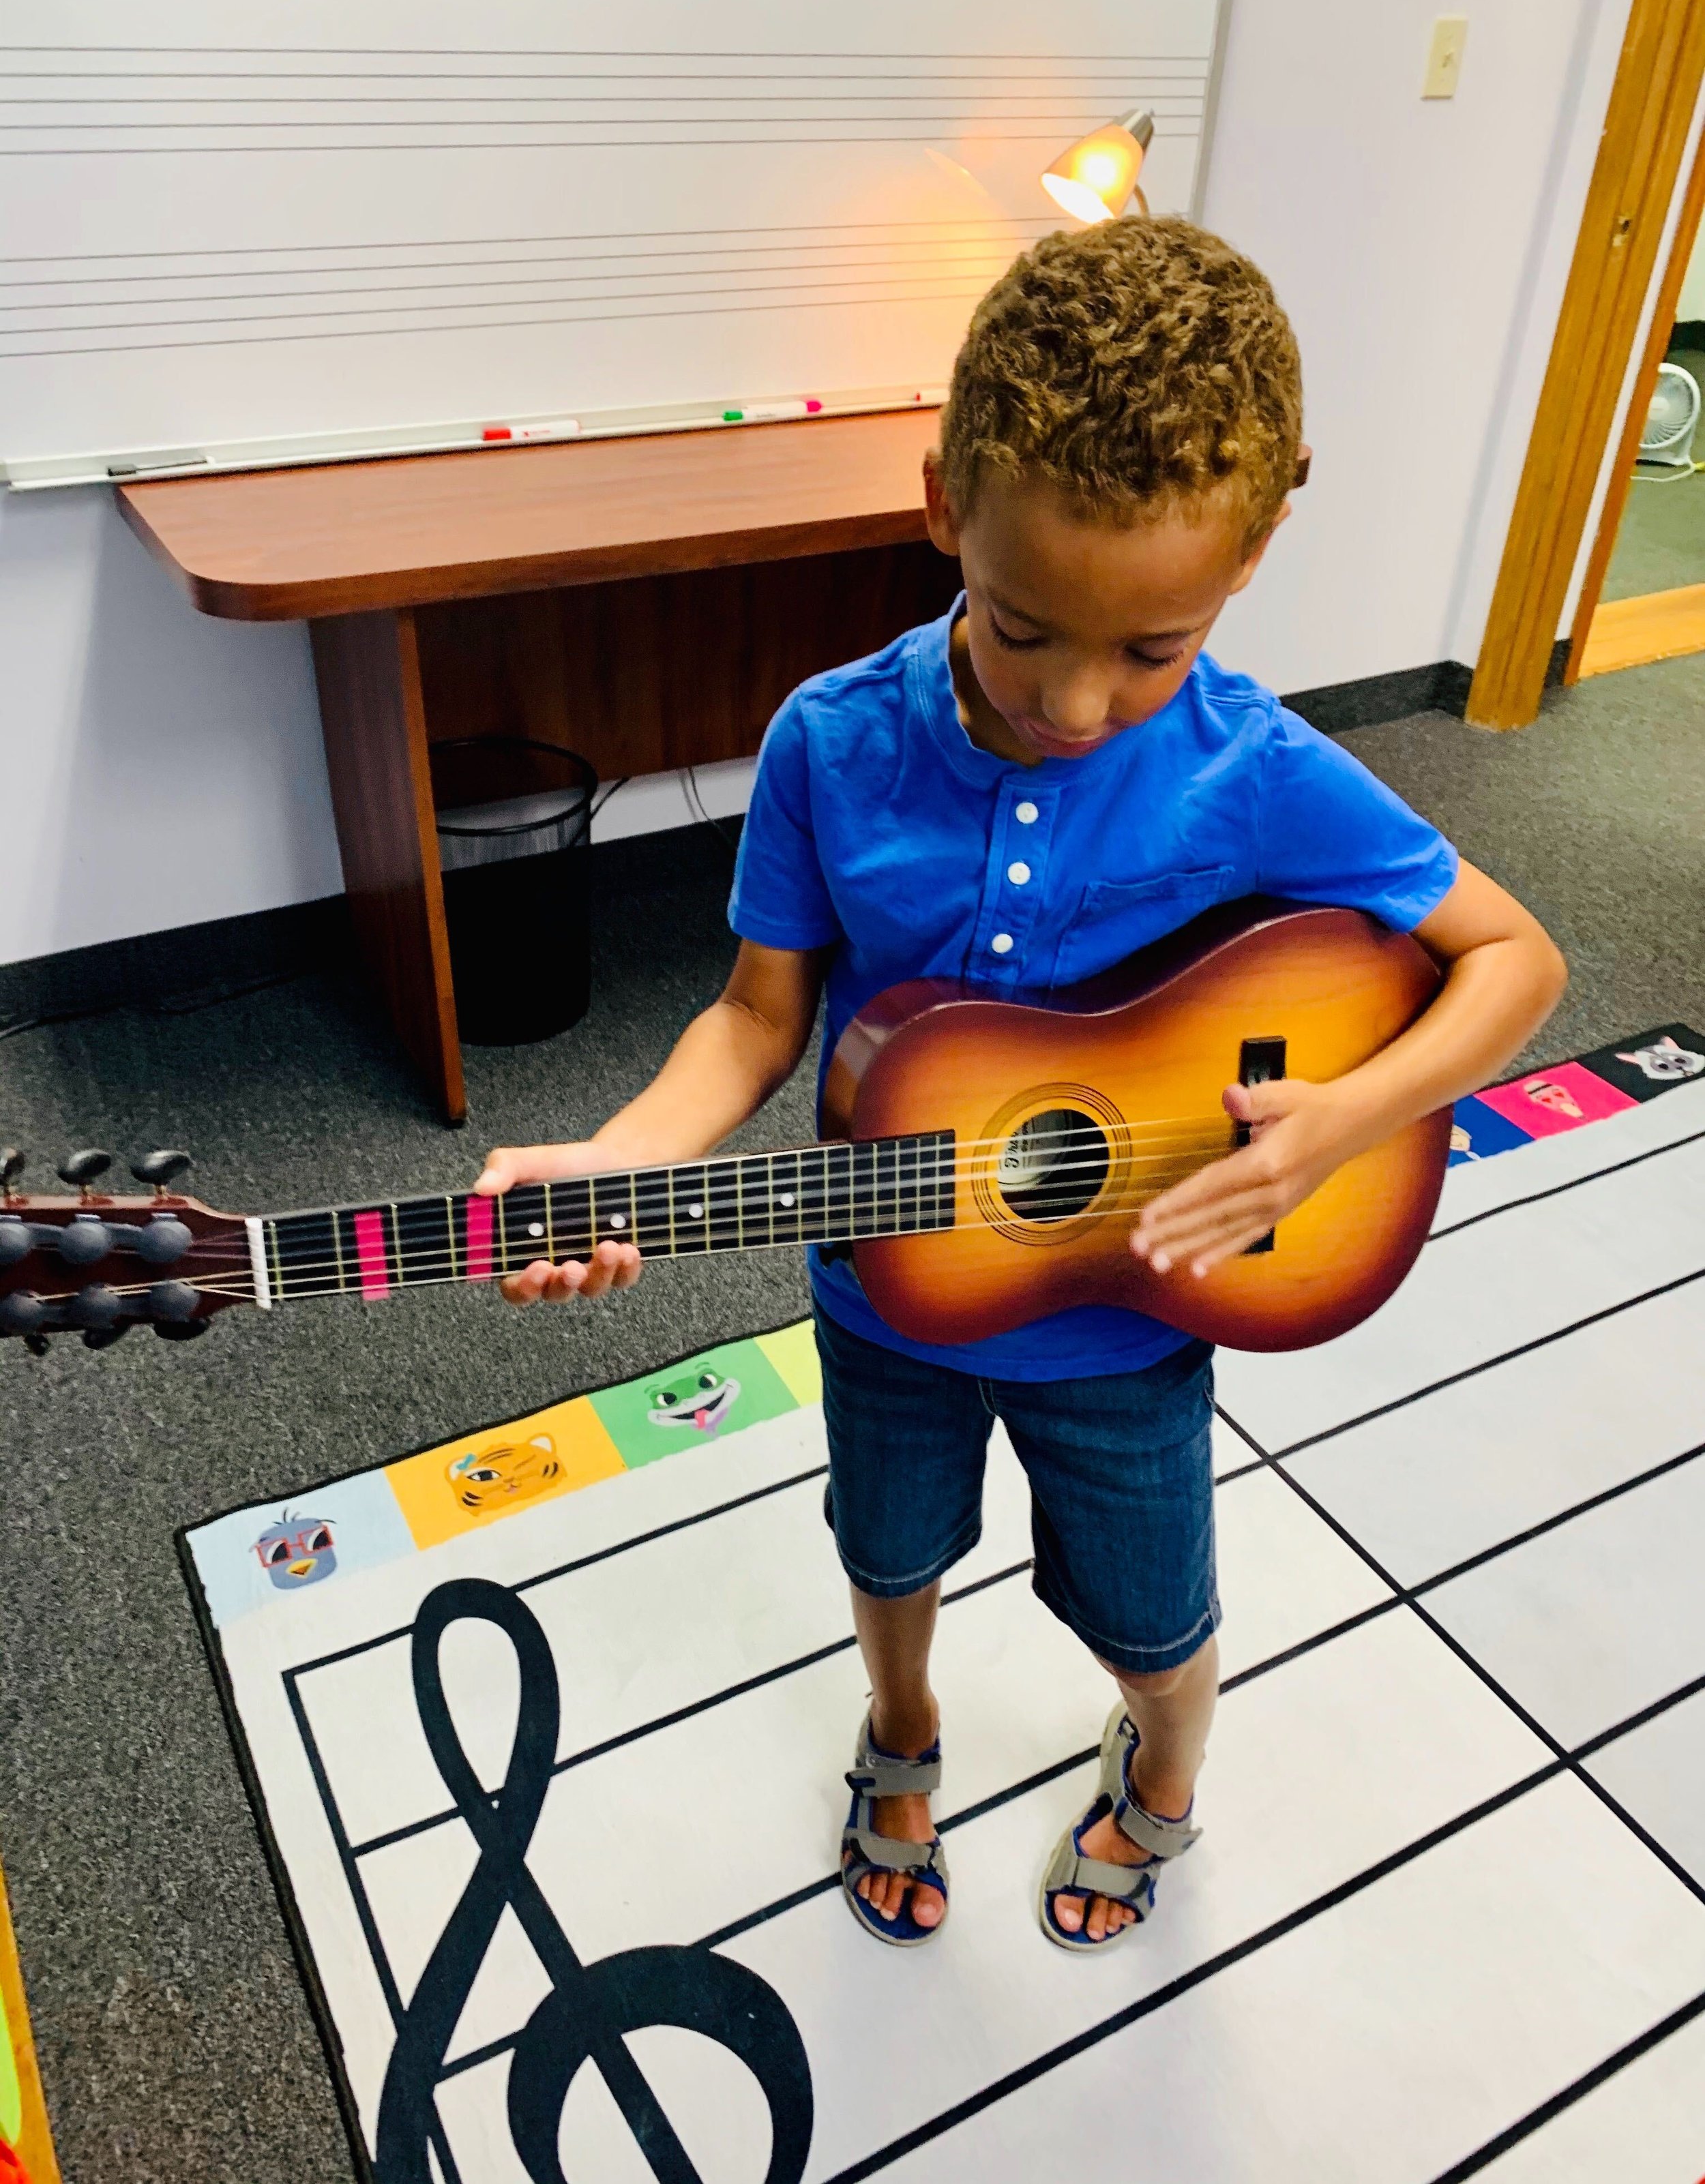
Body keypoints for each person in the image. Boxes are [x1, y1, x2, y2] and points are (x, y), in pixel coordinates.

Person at [477, 218, 1567, 1952]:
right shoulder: (830, 740)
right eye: (1020, 625)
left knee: (1153, 1613)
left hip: (1128, 1326)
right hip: (885, 1292)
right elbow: (758, 1021)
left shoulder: (1257, 765)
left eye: (1150, 648)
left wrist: (1339, 1124)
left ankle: (1163, 1776)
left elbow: (1515, 958)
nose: (1075, 701)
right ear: (938, 505)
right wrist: (620, 1156)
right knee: (885, 1547)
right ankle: (897, 1731)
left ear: (1258, 547)